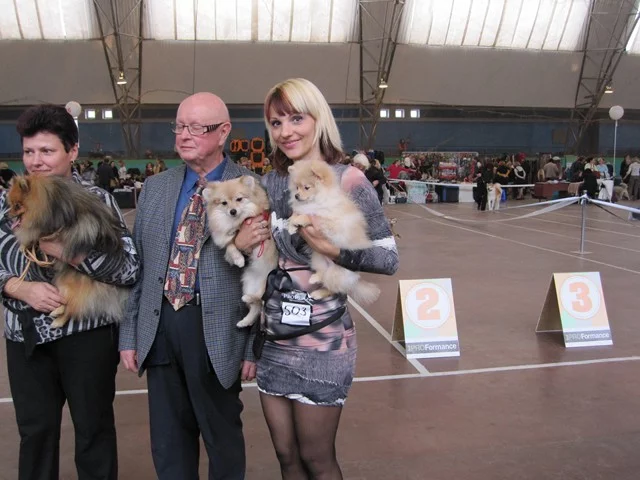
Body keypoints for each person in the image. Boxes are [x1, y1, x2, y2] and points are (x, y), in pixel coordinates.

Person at [239, 78, 399, 479]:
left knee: (317, 459)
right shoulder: (272, 182)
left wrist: (334, 250)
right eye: (276, 123)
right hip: (274, 340)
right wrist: (244, 243)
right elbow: (264, 259)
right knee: (286, 457)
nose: (285, 131)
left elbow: (388, 258)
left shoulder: (348, 180)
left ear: (318, 119)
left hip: (324, 343)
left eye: (296, 118)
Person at [119, 92, 260, 479]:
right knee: (168, 443)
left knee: (222, 440)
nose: (184, 135)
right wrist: (129, 335)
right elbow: (140, 267)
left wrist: (253, 346)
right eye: (180, 126)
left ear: (223, 132)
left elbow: (265, 277)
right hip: (160, 326)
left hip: (218, 331)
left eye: (197, 128)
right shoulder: (155, 188)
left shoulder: (251, 189)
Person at [0, 104, 140, 480]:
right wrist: (17, 287)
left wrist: (65, 250)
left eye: (47, 151)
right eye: (29, 151)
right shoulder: (9, 202)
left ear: (72, 150)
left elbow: (129, 269)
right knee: (35, 434)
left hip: (87, 337)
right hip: (25, 339)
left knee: (94, 432)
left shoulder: (98, 199)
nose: (36, 161)